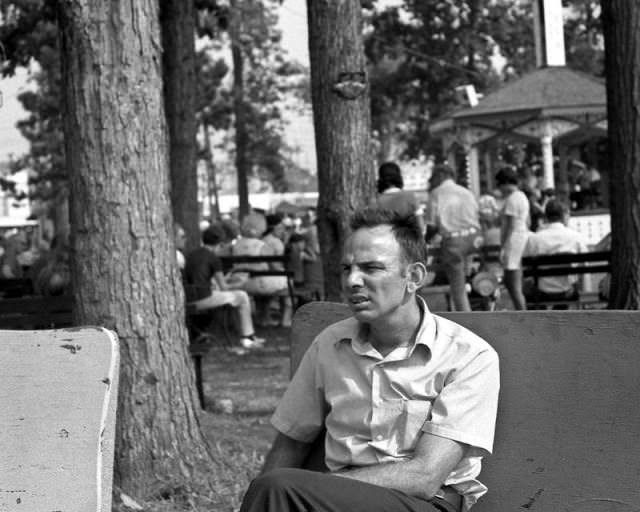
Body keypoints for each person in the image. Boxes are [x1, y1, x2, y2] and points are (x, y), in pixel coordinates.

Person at [239, 208, 500, 512]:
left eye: (371, 268)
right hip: (334, 501)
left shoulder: (466, 356)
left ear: (413, 276)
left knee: (277, 488)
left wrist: (320, 489)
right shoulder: (330, 344)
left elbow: (426, 476)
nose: (352, 280)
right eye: (346, 268)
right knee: (273, 487)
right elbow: (292, 441)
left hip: (423, 503)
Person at [184, 223, 265, 352]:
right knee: (242, 296)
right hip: (203, 298)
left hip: (188, 297)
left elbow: (201, 277)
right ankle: (247, 338)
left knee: (236, 297)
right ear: (220, 244)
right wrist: (241, 283)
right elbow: (224, 288)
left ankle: (249, 336)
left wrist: (227, 279)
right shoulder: (214, 259)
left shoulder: (192, 254)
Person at [425, 163, 482, 311]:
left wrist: (426, 240)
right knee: (464, 264)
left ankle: (466, 318)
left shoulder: (436, 194)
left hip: (455, 244)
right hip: (475, 240)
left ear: (440, 176)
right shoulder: (466, 192)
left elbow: (431, 226)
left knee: (458, 287)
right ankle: (468, 273)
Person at [523, 199, 589, 306]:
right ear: (564, 215)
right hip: (567, 291)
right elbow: (585, 265)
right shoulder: (576, 237)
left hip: (542, 292)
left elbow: (526, 268)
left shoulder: (534, 239)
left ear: (546, 217)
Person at [495, 166, 530, 310]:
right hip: (521, 237)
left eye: (500, 185)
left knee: (513, 284)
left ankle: (522, 313)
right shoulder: (522, 196)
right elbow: (528, 221)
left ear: (505, 183)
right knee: (514, 283)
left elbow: (508, 226)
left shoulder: (512, 199)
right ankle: (520, 311)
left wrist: (502, 246)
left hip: (513, 240)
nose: (500, 189)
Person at [377, 161, 426, 234]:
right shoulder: (411, 197)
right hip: (407, 242)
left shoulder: (376, 202)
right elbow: (421, 229)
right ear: (399, 177)